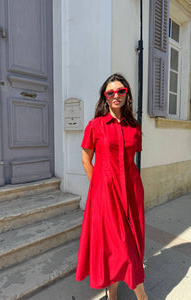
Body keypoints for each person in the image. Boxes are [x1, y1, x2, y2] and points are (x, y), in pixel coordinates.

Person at [75, 73, 148, 300]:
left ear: (127, 94)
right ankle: (141, 296)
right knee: (116, 247)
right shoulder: (95, 126)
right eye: (110, 92)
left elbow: (130, 161)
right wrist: (99, 186)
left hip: (132, 192)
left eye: (120, 91)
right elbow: (86, 160)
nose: (116, 95)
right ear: (105, 97)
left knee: (131, 244)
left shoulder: (134, 127)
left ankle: (112, 294)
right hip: (105, 195)